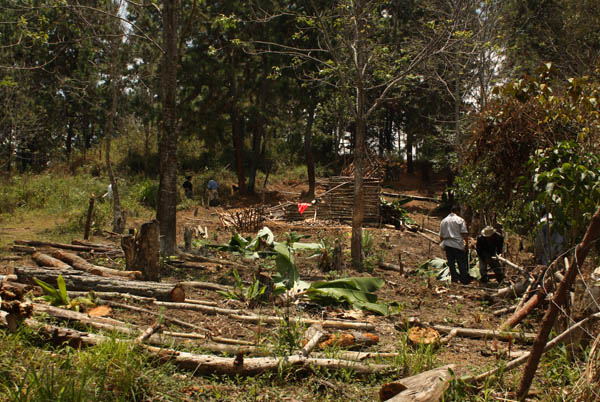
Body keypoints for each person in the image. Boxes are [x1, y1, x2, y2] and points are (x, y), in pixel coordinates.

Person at [439, 205, 471, 284]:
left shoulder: (444, 221)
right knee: (461, 263)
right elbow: (464, 233)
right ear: (457, 211)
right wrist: (466, 243)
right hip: (457, 244)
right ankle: (464, 280)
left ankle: (454, 279)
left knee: (451, 263)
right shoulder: (460, 220)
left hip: (447, 244)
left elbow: (441, 236)